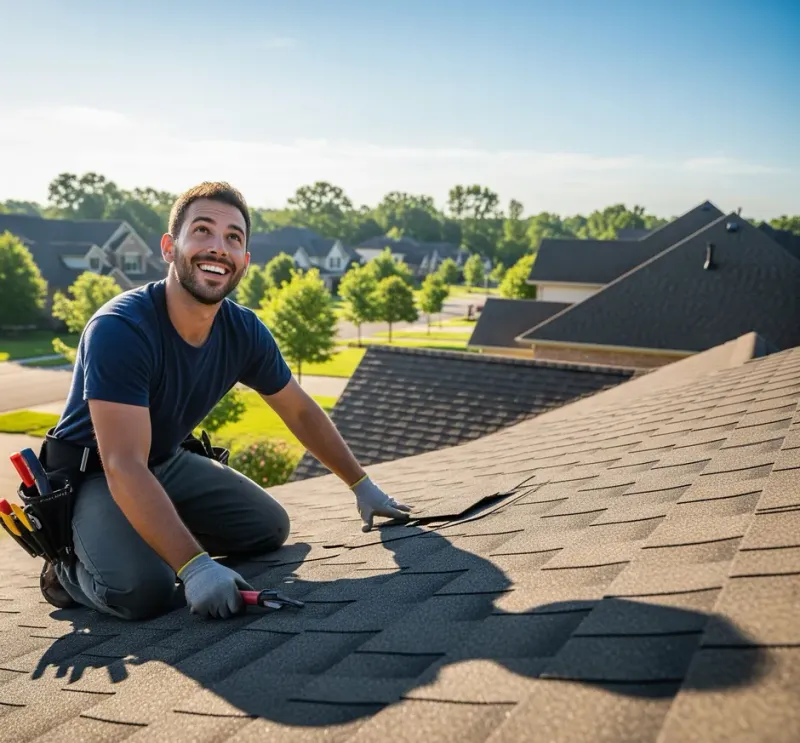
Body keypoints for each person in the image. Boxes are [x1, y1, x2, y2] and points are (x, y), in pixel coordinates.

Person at [39, 181, 412, 621]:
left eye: (233, 238)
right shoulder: (121, 328)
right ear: (168, 247)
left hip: (163, 461)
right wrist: (195, 568)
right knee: (144, 591)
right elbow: (122, 464)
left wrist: (362, 486)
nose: (218, 248)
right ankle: (65, 569)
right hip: (93, 474)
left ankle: (152, 533)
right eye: (202, 231)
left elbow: (298, 410)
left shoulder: (243, 330)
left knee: (268, 529)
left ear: (245, 261)